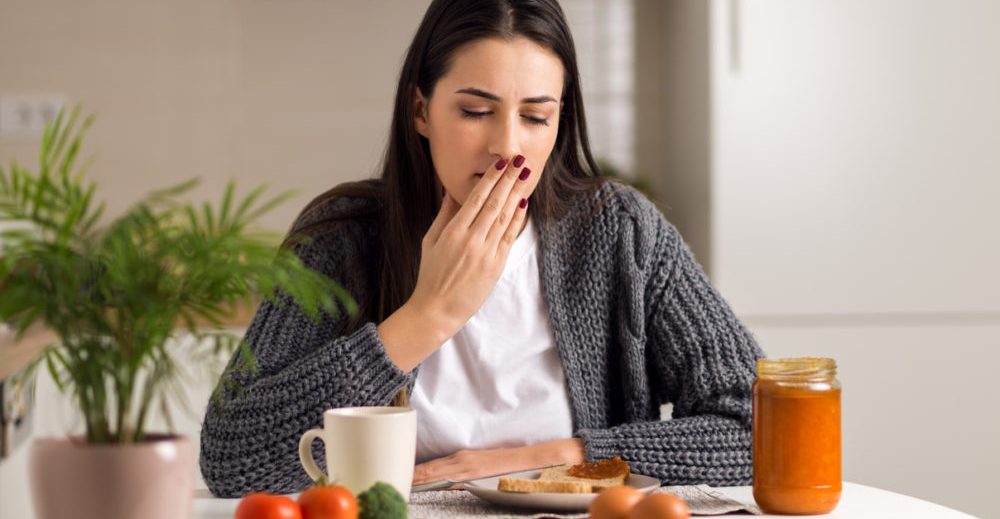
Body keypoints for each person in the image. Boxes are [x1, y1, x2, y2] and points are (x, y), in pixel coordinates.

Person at [200, 0, 764, 498]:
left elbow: (759, 426)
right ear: (421, 110)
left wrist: (550, 457)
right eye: (475, 111)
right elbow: (232, 461)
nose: (507, 147)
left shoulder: (621, 233)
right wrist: (427, 315)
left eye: (536, 116)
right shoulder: (339, 238)